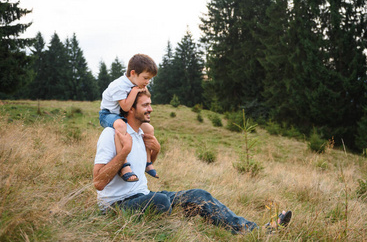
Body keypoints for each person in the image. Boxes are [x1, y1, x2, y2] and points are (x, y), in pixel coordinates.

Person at [93, 90, 292, 234]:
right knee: (161, 202)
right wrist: (124, 152)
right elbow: (98, 182)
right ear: (129, 108)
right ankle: (175, 217)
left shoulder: (140, 134)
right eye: (145, 105)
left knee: (199, 195)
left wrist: (156, 151)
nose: (150, 109)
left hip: (144, 196)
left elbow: (140, 169)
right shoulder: (111, 134)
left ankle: (255, 231)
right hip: (116, 206)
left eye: (150, 104)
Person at [99, 53, 159, 182]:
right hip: (108, 114)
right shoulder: (119, 85)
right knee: (120, 125)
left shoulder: (137, 84)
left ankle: (148, 162)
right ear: (133, 73)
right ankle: (124, 165)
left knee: (148, 128)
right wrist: (134, 91)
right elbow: (126, 107)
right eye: (145, 78)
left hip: (121, 115)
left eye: (150, 79)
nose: (147, 82)